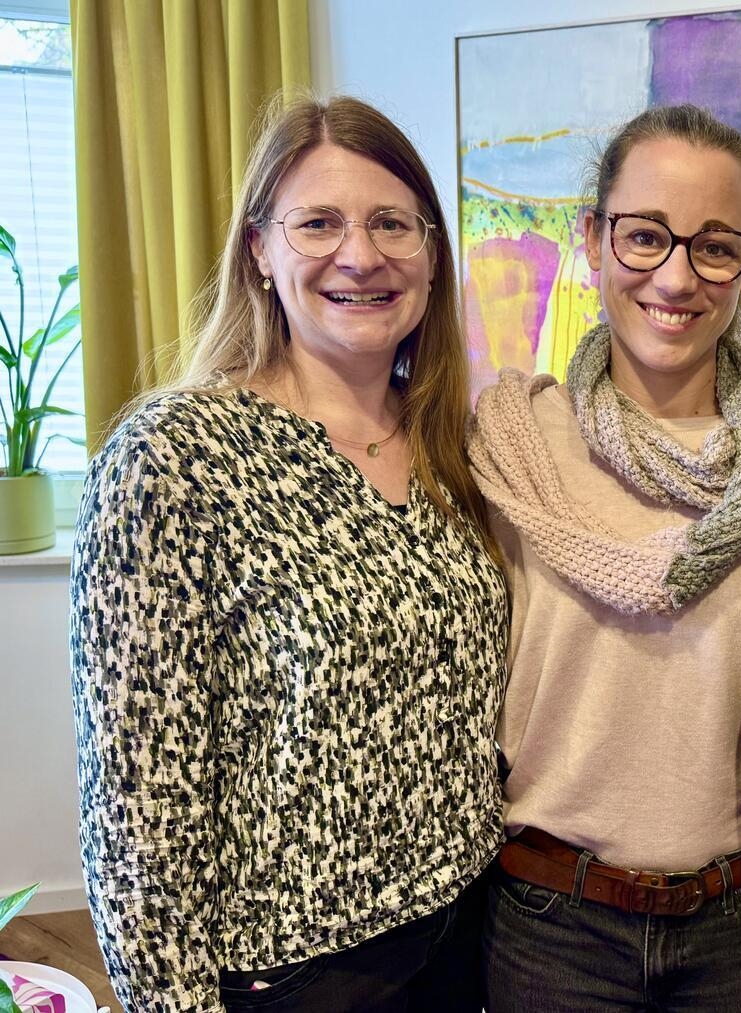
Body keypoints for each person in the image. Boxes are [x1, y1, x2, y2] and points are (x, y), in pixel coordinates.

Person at [69, 95, 506, 1012]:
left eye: (393, 223)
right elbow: (136, 813)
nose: (361, 254)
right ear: (260, 252)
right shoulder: (174, 456)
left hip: (470, 937)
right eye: (319, 223)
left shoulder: (455, 449)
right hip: (296, 978)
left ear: (430, 255)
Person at [469, 103, 741, 1011]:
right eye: (646, 236)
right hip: (549, 920)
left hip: (740, 928)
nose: (677, 276)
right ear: (593, 239)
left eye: (715, 245)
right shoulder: (509, 441)